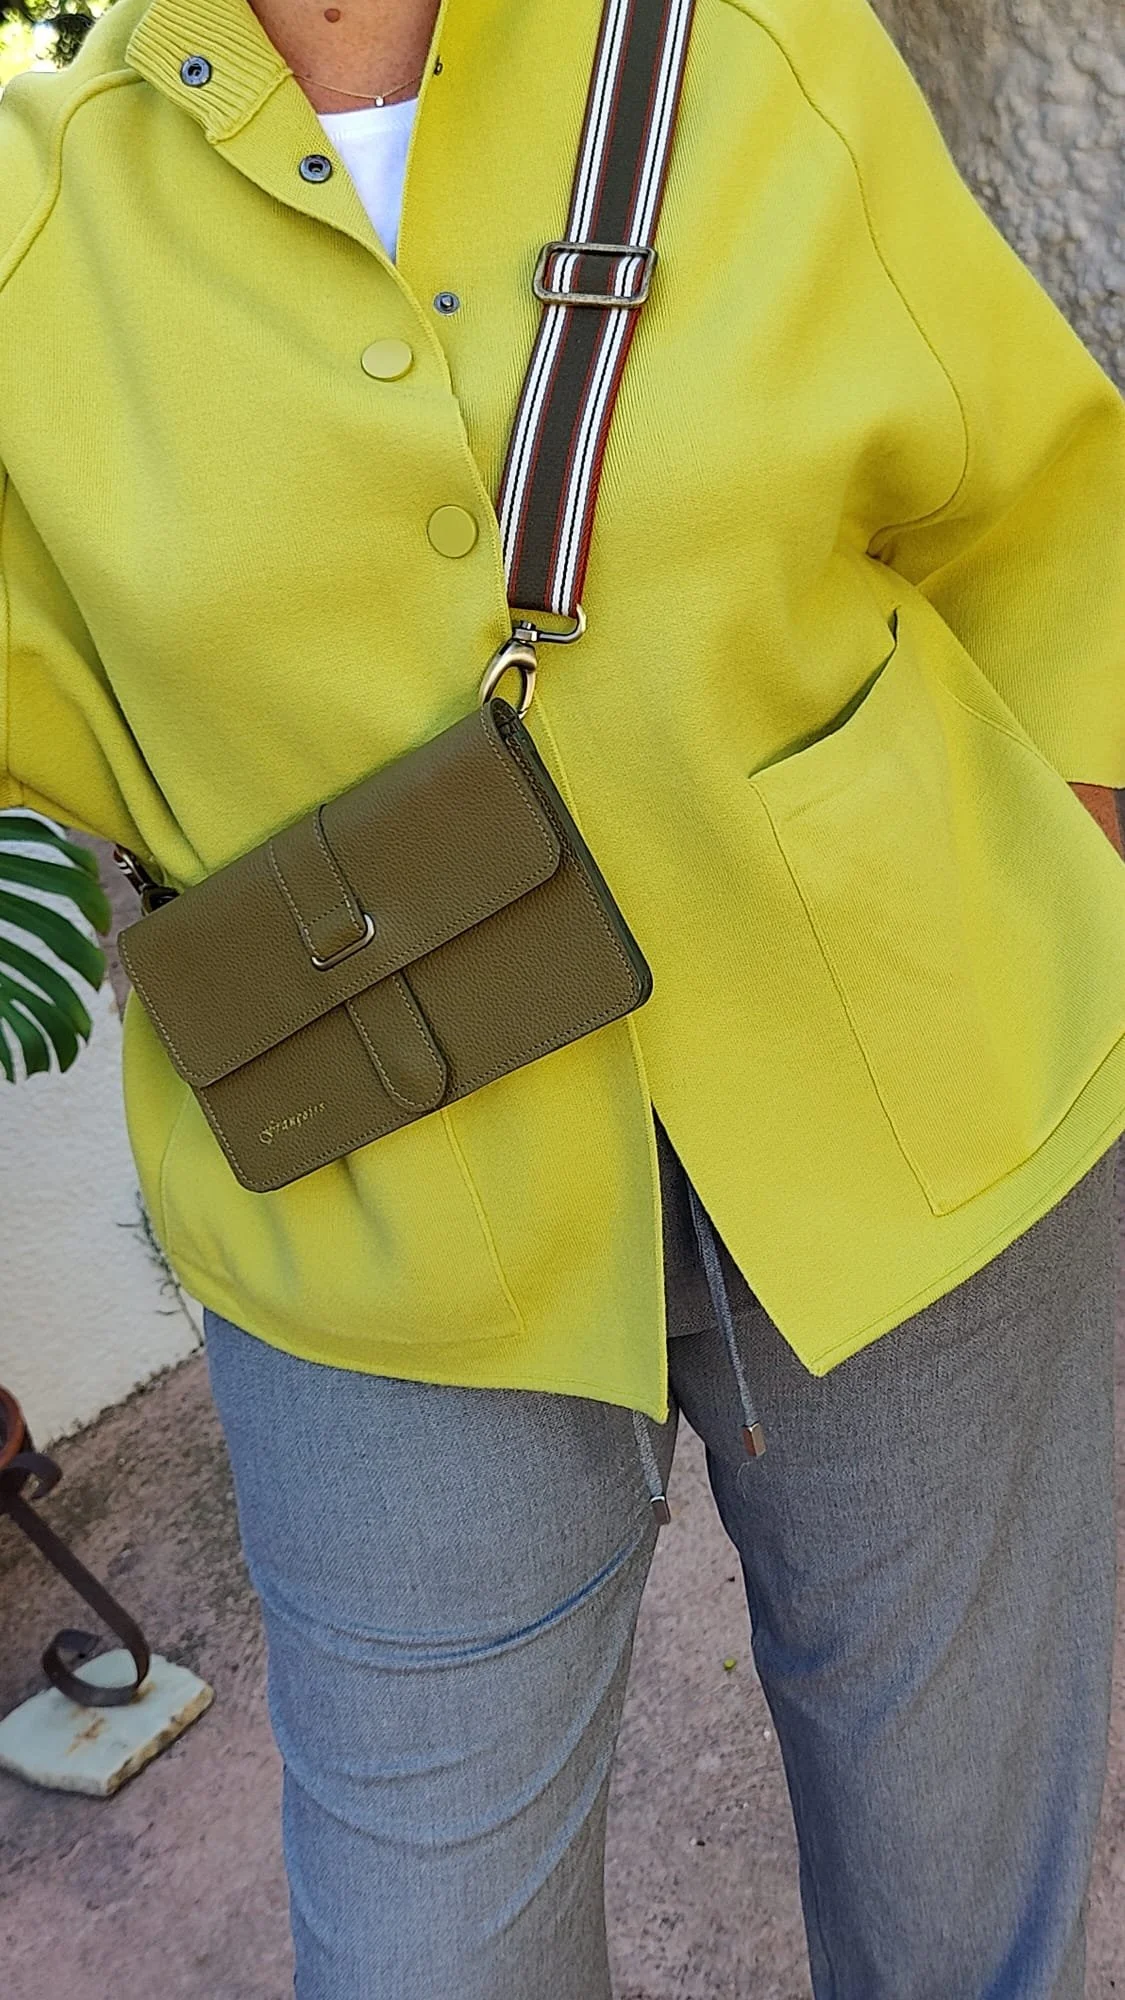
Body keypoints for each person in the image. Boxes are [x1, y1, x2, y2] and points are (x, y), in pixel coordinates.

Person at [2, 0, 1124, 1991]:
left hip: (923, 1092)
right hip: (381, 1201)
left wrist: (1071, 872)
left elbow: (1045, 515)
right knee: (432, 1936)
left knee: (963, 1878)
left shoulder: (746, 40)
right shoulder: (30, 211)